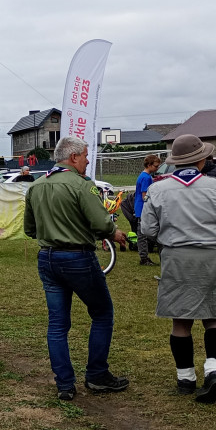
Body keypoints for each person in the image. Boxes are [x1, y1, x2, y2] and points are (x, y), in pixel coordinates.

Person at [23, 136, 130, 401]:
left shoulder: (36, 186)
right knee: (102, 313)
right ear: (73, 158)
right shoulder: (82, 185)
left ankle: (64, 384)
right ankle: (96, 375)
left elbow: (29, 229)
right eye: (85, 157)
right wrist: (113, 232)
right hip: (77, 258)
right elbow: (101, 224)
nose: (87, 161)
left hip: (47, 258)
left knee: (58, 324)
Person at [141, 135, 216, 403]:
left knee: (181, 319)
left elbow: (148, 229)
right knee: (215, 317)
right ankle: (214, 370)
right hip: (213, 255)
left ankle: (185, 378)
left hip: (176, 257)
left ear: (175, 161)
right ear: (201, 159)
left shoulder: (158, 189)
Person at [134, 154, 161, 266]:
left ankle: (144, 257)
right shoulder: (146, 178)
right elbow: (145, 196)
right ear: (149, 165)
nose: (157, 168)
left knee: (142, 234)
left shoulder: (143, 175)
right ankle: (144, 258)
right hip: (143, 209)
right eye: (155, 166)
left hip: (140, 208)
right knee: (143, 235)